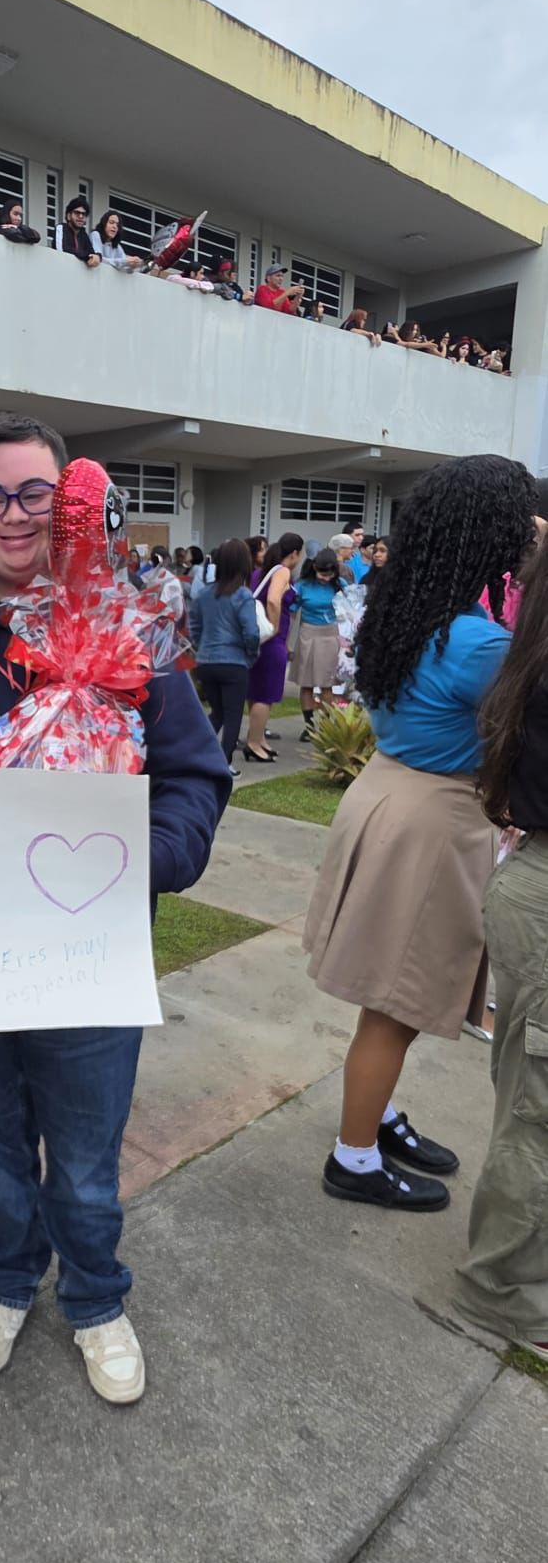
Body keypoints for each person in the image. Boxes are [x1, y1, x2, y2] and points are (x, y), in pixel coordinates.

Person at [0, 413, 229, 1399]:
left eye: (35, 492)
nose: (14, 514)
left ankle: (96, 1295)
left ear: (71, 505)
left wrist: (142, 859)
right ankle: (6, 1277)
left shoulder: (128, 630)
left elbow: (196, 777)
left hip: (89, 951)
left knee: (82, 1154)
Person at [304, 454, 537, 1212]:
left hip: (389, 794)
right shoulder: (478, 644)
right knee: (397, 1001)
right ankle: (354, 1157)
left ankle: (376, 1115)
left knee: (390, 992)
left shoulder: (406, 613)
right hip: (432, 822)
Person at [455, 535, 548, 1354]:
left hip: (527, 880)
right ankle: (507, 1289)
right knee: (534, 1109)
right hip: (537, 889)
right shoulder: (517, 660)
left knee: (529, 1091)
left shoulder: (524, 656)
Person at [189, 538, 260, 768]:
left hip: (206, 661)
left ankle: (199, 754)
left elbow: (194, 628)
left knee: (217, 712)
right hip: (234, 661)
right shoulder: (243, 595)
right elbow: (251, 632)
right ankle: (223, 763)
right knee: (233, 716)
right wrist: (251, 655)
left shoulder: (204, 595)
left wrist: (202, 647)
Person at [245, 533, 305, 760]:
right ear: (295, 553)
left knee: (256, 691)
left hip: (258, 640)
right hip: (272, 641)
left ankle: (259, 738)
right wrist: (275, 626)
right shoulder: (282, 571)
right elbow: (273, 599)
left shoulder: (259, 573)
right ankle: (254, 743)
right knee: (265, 694)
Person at [293, 548, 343, 738]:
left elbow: (350, 609)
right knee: (306, 683)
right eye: (322, 574)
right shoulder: (303, 586)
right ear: (314, 568)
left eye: (329, 575)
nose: (325, 578)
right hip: (308, 633)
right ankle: (309, 726)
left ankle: (326, 727)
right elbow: (292, 611)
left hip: (330, 634)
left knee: (326, 684)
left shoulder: (339, 585)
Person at [54, 196, 99, 266]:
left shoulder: (84, 235)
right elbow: (62, 250)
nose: (81, 216)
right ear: (69, 216)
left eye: (84, 214)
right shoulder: (61, 228)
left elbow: (91, 254)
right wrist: (87, 256)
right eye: (77, 213)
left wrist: (97, 256)